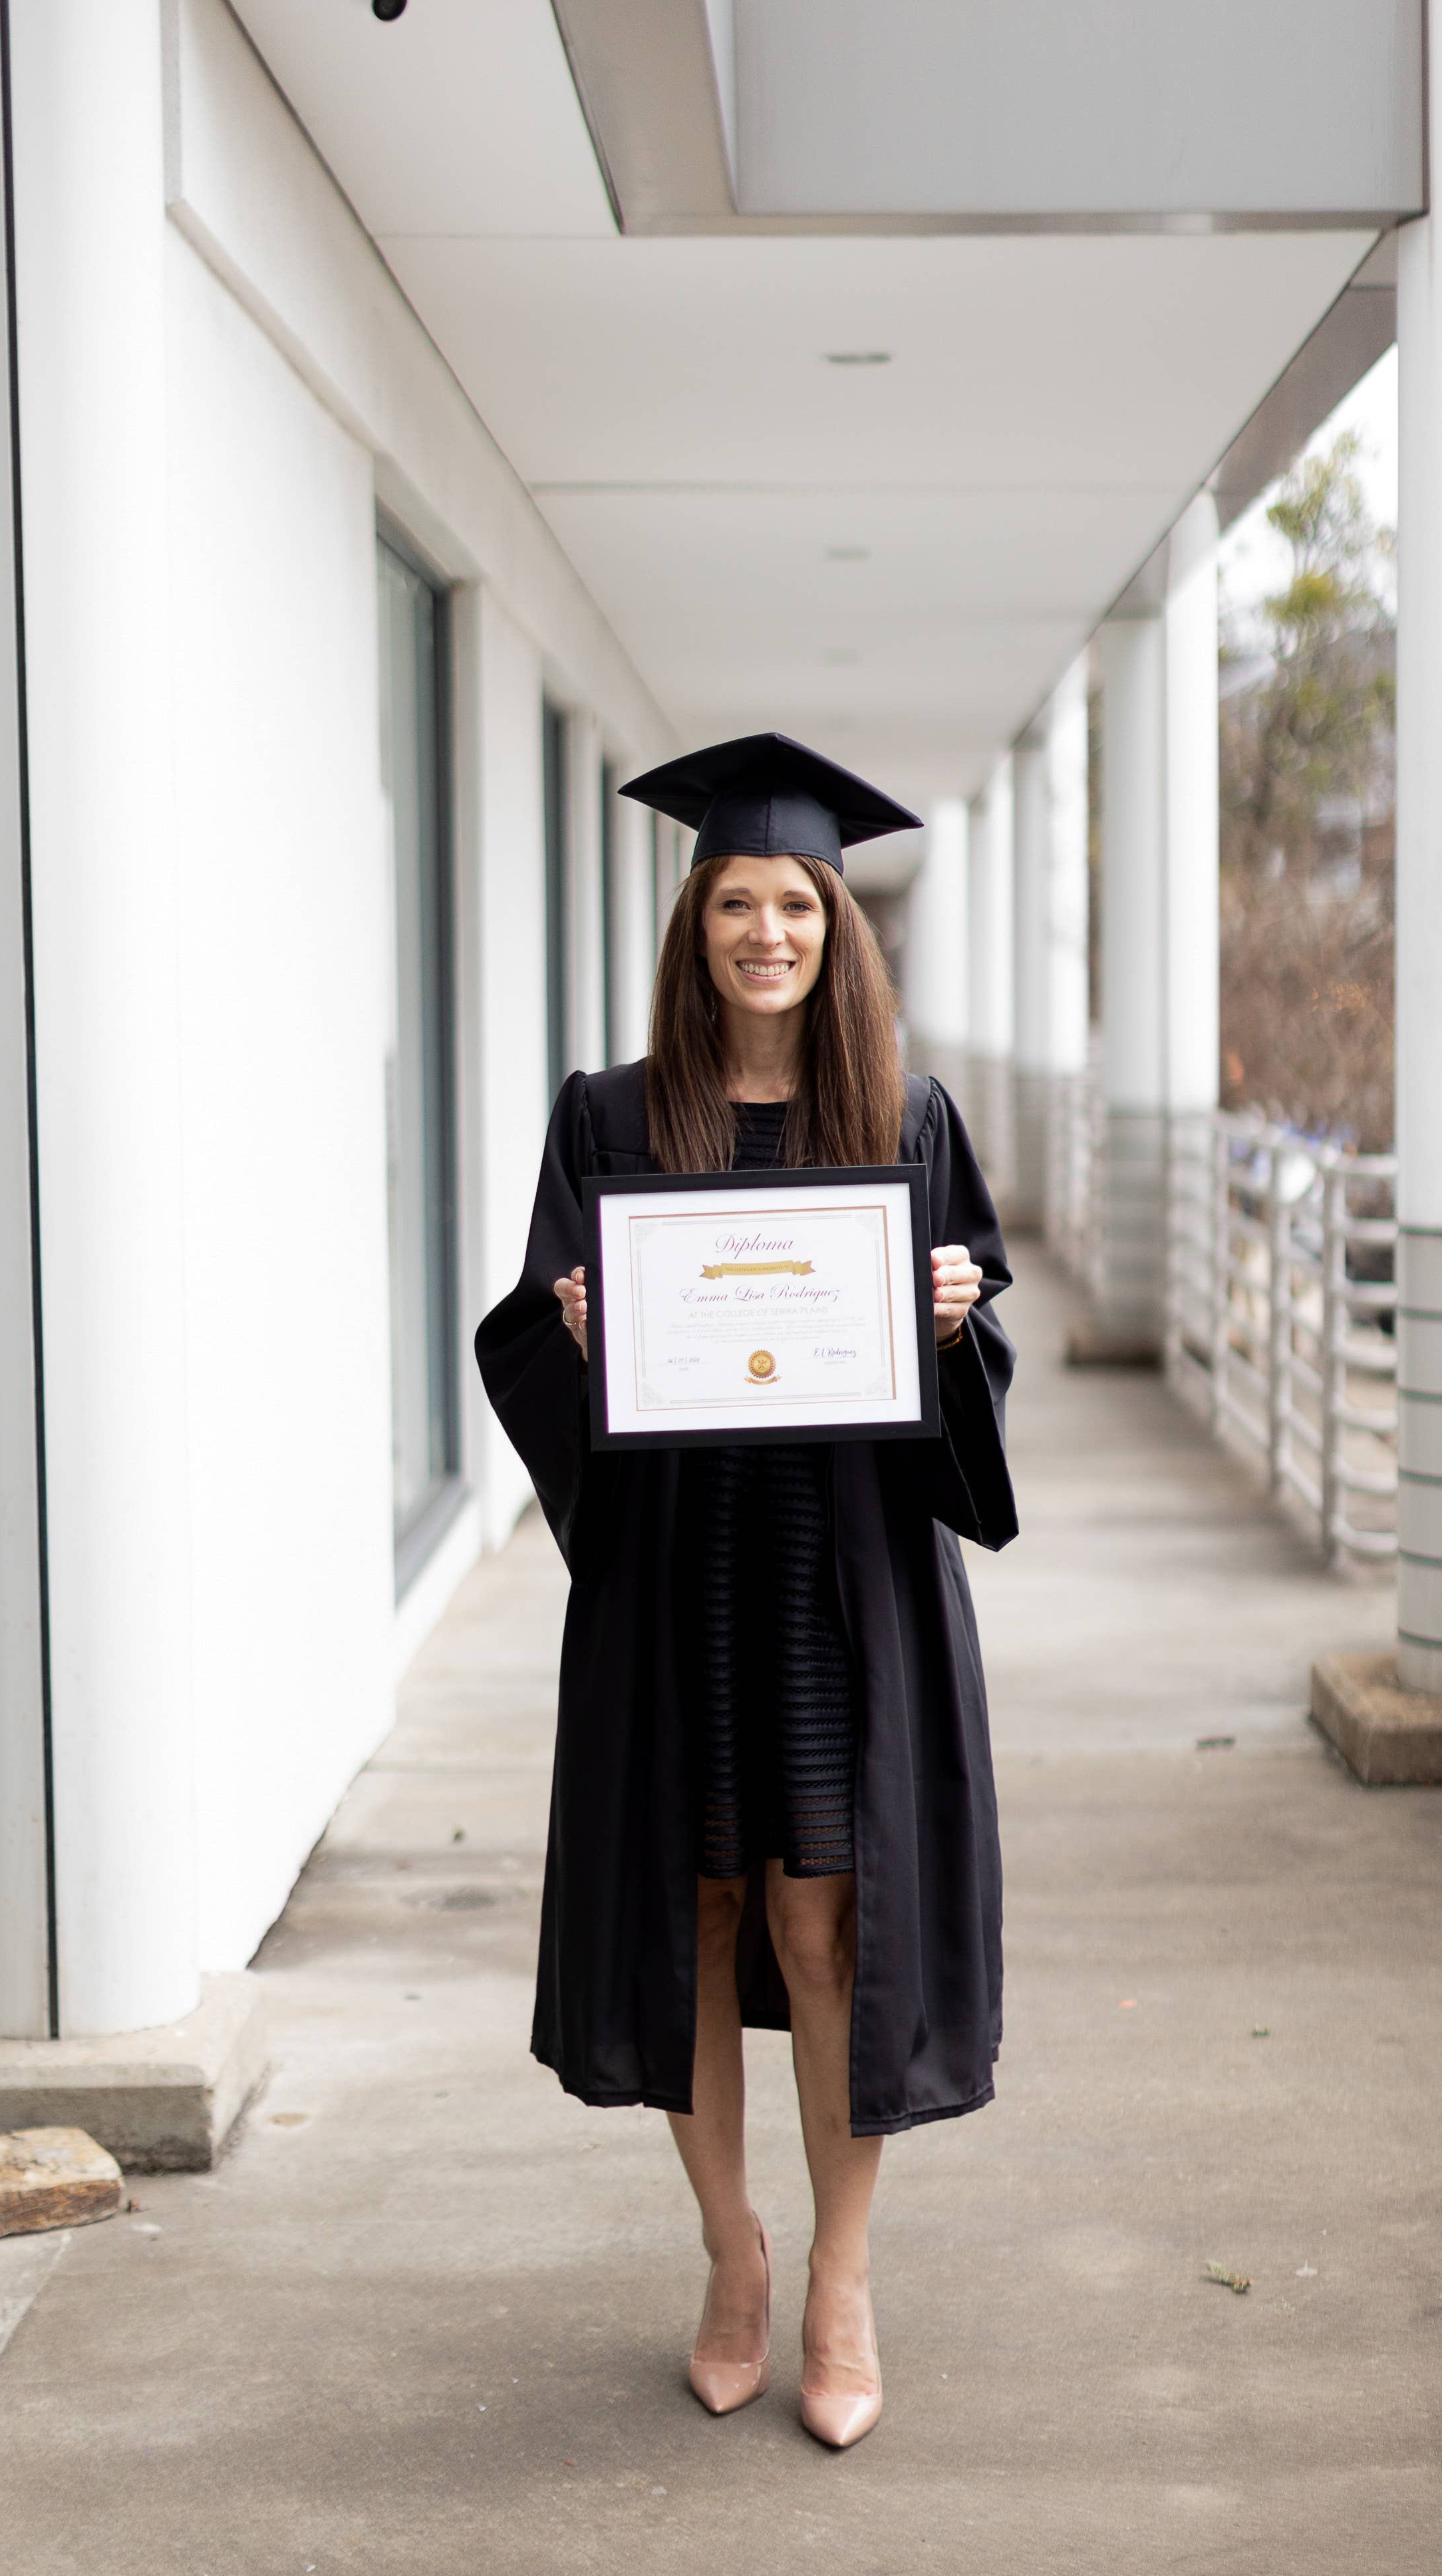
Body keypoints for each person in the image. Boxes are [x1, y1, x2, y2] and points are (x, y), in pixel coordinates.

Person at [475, 732, 1018, 2451]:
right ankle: (731, 2259)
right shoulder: (610, 1115)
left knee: (824, 1919)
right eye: (734, 903)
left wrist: (948, 1327)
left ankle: (843, 2285)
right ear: (694, 926)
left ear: (834, 928)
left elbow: (976, 1369)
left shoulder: (907, 1119)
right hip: (678, 1573)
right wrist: (579, 1340)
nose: (764, 929)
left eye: (792, 902)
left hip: (846, 1570)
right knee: (695, 1911)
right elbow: (534, 1344)